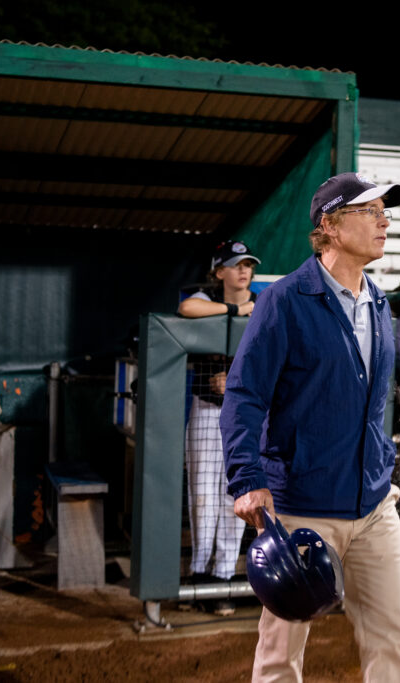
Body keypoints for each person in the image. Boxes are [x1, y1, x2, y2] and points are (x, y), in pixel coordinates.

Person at [220, 171, 400, 681]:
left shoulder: (379, 301)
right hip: (301, 510)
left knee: (394, 640)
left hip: (374, 506)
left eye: (384, 212)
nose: (383, 221)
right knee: (281, 652)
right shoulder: (285, 300)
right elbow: (244, 394)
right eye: (369, 212)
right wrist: (246, 479)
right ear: (329, 225)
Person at [176, 239, 258, 616]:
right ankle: (199, 572)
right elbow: (186, 308)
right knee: (203, 494)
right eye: (236, 264)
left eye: (248, 265)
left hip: (245, 415)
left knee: (236, 497)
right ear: (219, 271)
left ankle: (224, 576)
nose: (244, 271)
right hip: (207, 410)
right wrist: (233, 309)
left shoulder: (262, 302)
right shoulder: (204, 297)